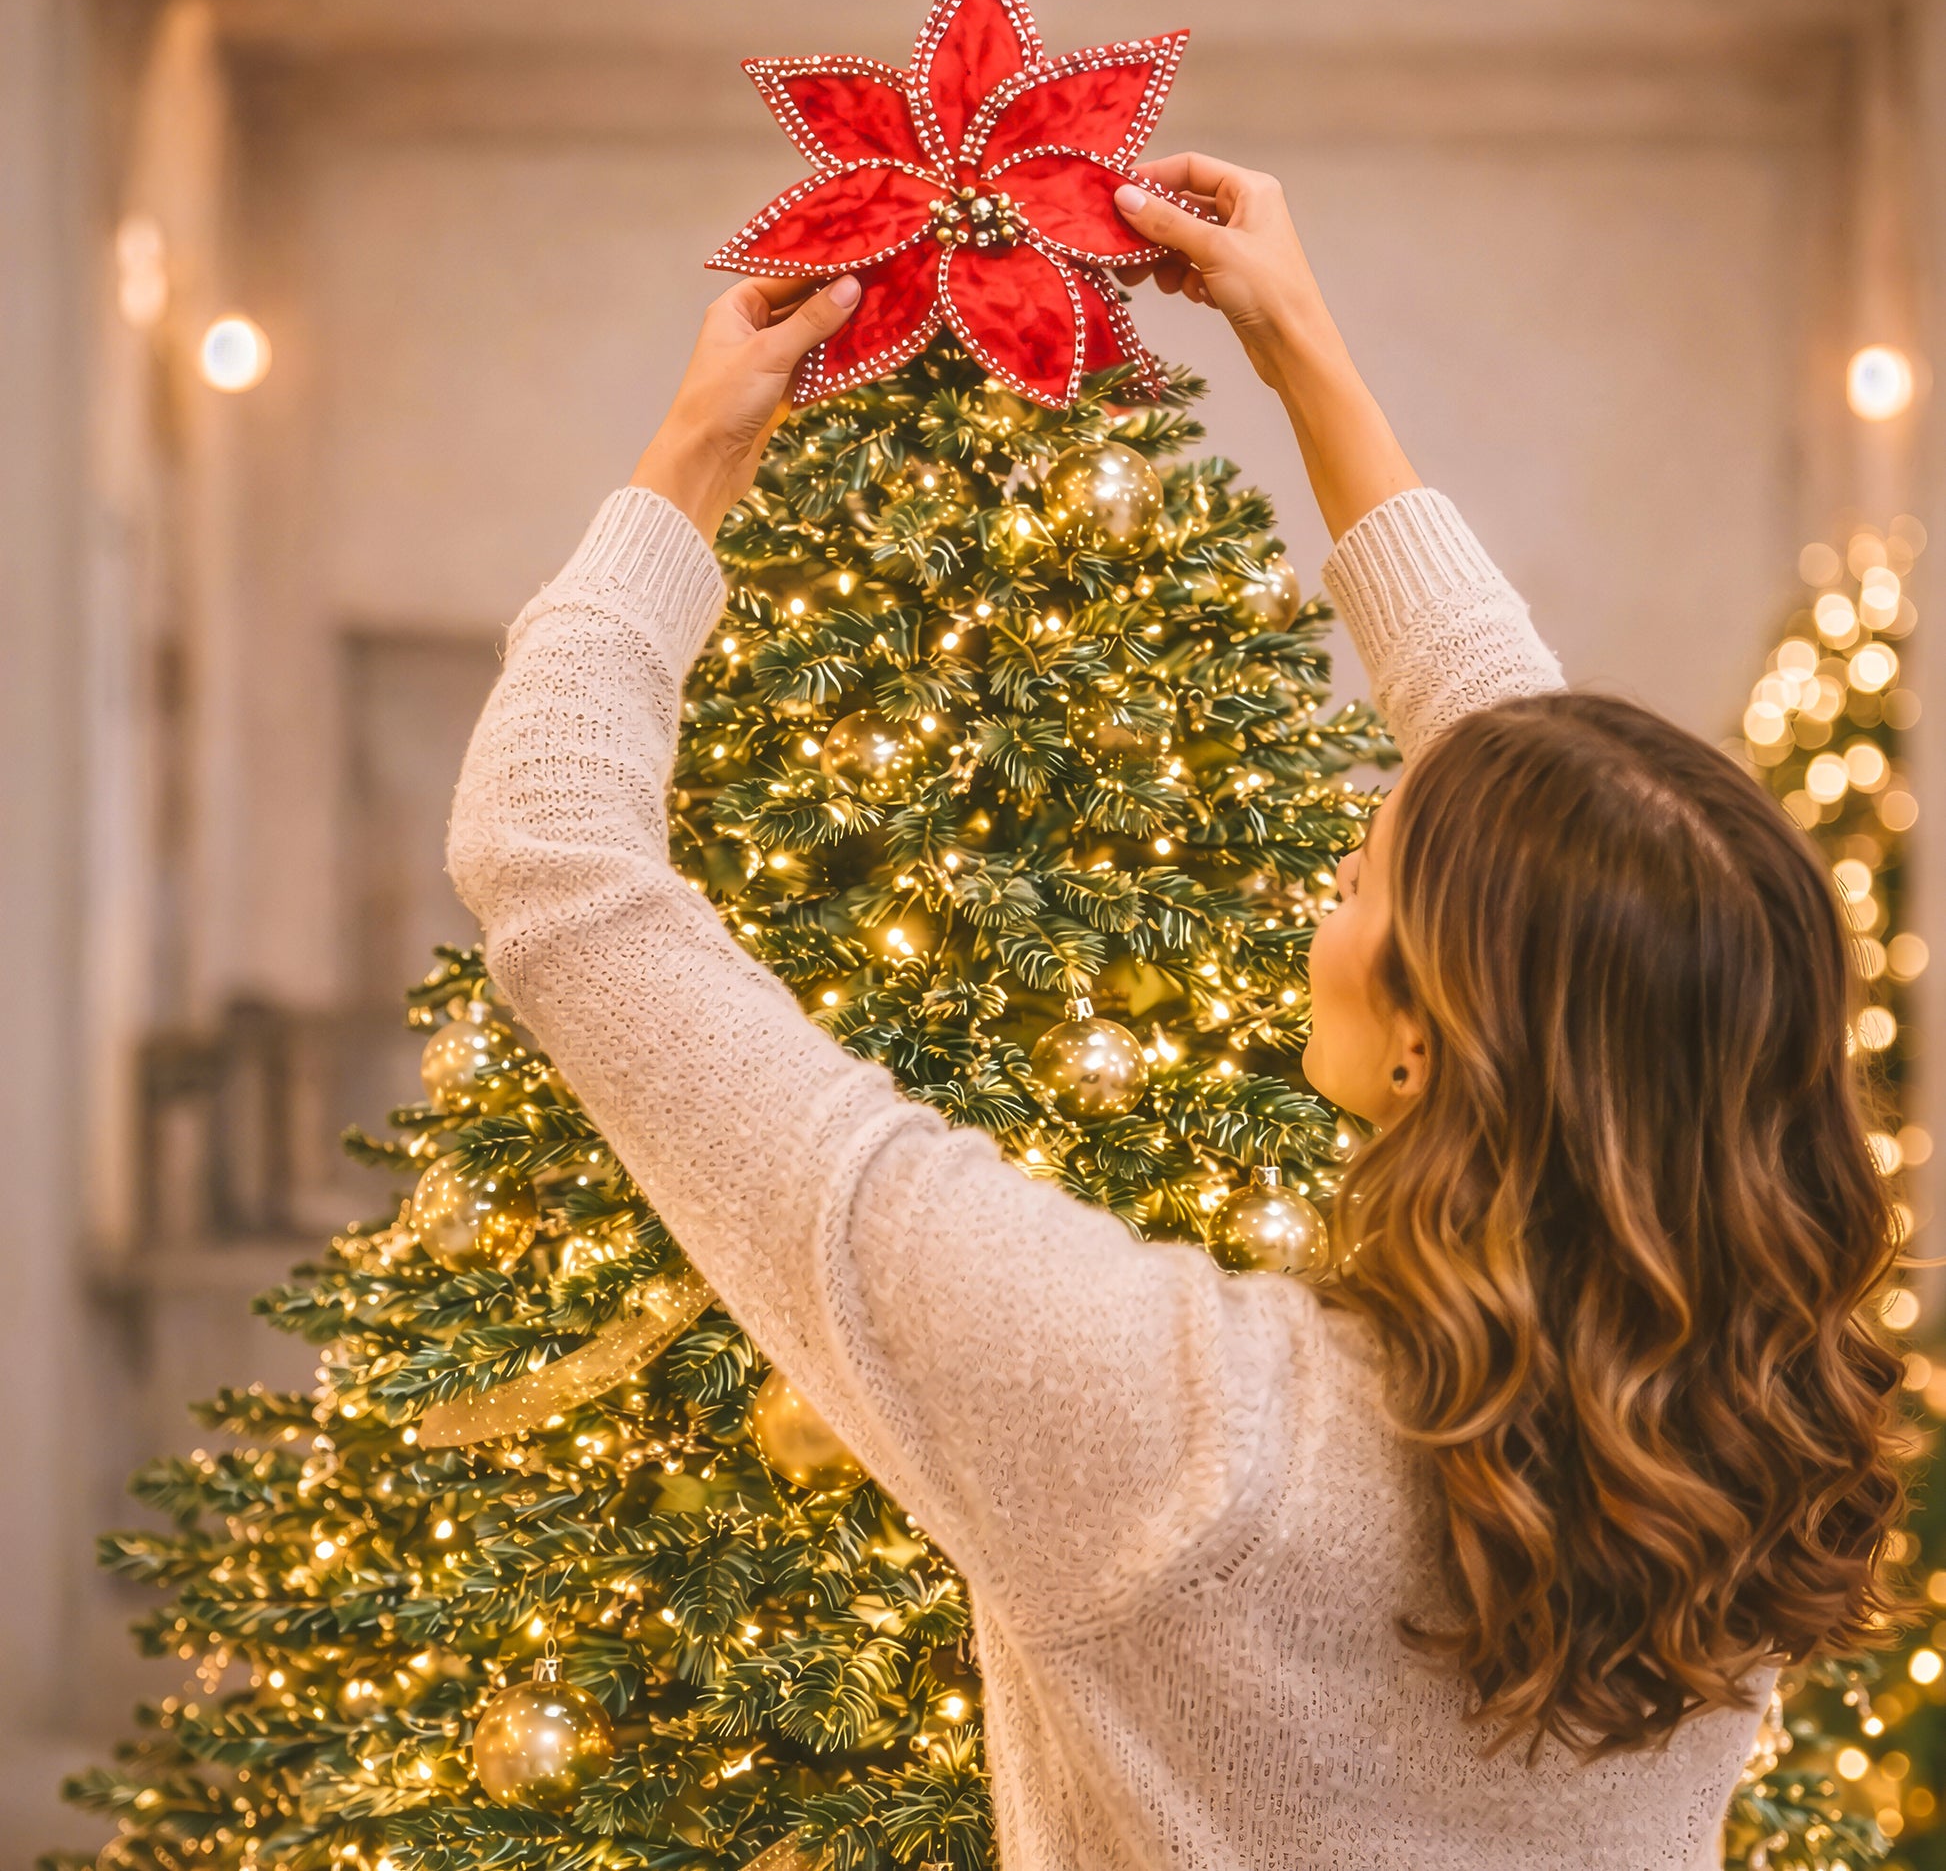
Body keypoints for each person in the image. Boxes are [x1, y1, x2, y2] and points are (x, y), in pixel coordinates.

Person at [446, 153, 1908, 1869]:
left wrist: (695, 449)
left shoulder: (1172, 1424)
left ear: (1444, 1029)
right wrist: (1308, 358)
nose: (1320, 905)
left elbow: (551, 855)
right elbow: (1586, 878)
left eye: (1358, 880)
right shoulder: (1758, 1436)